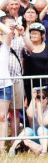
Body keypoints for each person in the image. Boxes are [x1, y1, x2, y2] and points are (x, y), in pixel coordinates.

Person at [0, 16, 16, 151]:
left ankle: (1, 147)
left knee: (2, 117)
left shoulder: (5, 47)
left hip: (4, 85)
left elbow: (9, 32)